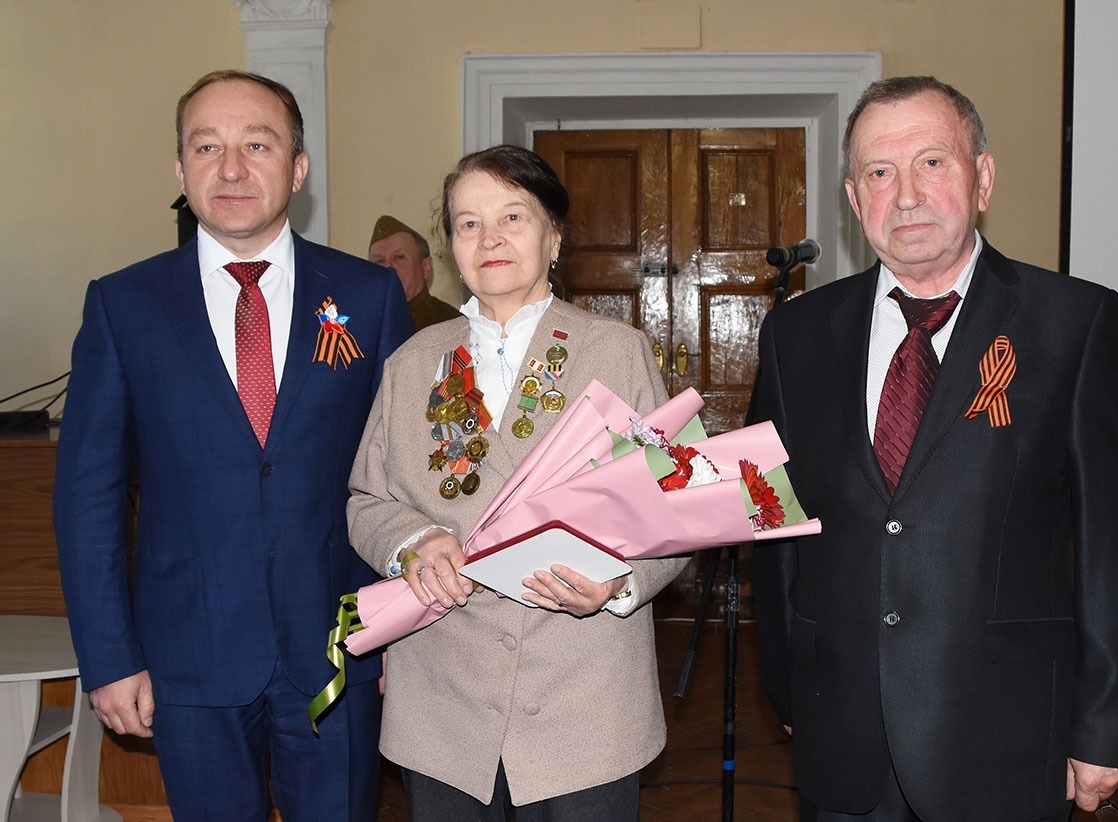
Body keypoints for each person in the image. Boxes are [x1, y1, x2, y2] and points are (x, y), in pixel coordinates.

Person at [751, 76, 1118, 822]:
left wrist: (1108, 725)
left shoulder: (1072, 324)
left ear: (983, 178)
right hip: (842, 730)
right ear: (854, 199)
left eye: (932, 163)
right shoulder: (795, 335)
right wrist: (788, 685)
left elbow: (1116, 546)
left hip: (1005, 737)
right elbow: (775, 523)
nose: (906, 195)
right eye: (880, 172)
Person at [53, 69, 413, 821]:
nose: (231, 168)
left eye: (257, 144)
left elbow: (401, 476)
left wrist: (404, 636)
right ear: (180, 169)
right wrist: (110, 656)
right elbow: (88, 498)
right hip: (185, 658)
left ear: (298, 168)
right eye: (206, 146)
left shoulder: (368, 296)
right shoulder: (122, 305)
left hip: (342, 648)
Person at [347, 144, 688, 821]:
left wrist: (620, 584)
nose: (490, 239)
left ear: (553, 236)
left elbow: (676, 502)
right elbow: (367, 499)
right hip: (444, 694)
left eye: (512, 217)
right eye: (468, 223)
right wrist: (412, 541)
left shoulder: (615, 352)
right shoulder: (413, 363)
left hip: (582, 691)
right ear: (451, 246)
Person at [369, 215, 460, 328]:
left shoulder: (449, 325)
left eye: (399, 257)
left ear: (426, 267)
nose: (388, 268)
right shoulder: (361, 323)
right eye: (379, 261)